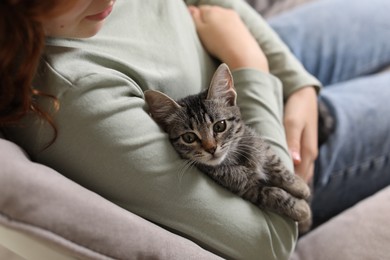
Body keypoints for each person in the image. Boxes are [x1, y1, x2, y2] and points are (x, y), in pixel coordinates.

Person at [0, 0, 389, 259]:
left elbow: (212, 4)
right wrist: (249, 62)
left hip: (239, 66)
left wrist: (298, 82)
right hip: (276, 144)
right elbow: (266, 243)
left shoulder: (85, 11)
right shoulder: (76, 95)